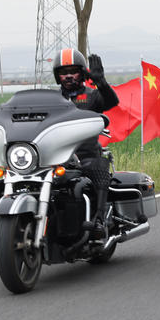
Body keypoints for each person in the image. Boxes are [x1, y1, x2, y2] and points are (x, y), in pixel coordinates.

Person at [54, 48, 120, 231]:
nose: (68, 76)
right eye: (64, 72)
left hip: (86, 156)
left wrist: (101, 83)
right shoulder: (52, 99)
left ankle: (99, 219)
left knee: (99, 167)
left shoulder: (92, 96)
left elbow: (112, 102)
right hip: (56, 157)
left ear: (82, 73)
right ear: (57, 76)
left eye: (73, 71)